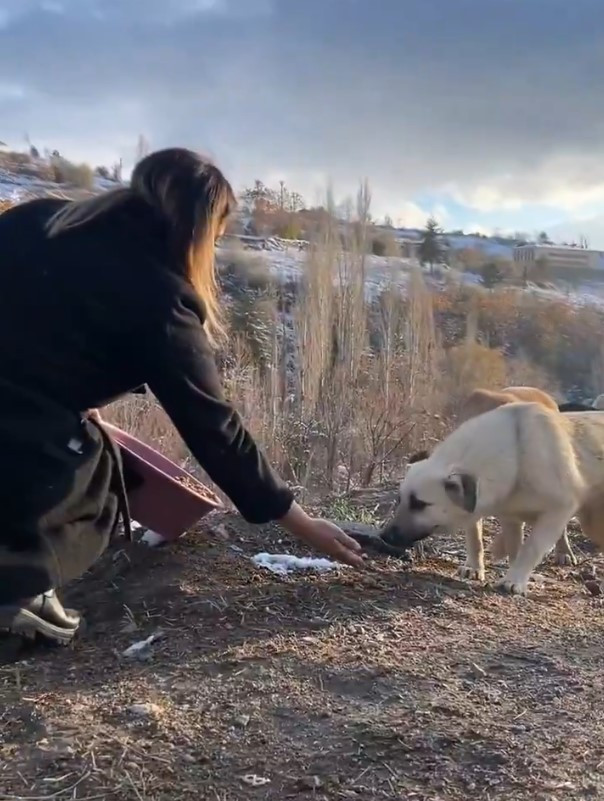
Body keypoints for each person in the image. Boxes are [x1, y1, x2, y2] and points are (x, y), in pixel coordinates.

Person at [0, 147, 363, 645]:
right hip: (18, 431)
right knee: (98, 468)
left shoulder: (38, 219)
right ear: (199, 230)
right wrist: (297, 522)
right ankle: (20, 589)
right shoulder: (162, 298)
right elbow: (215, 429)